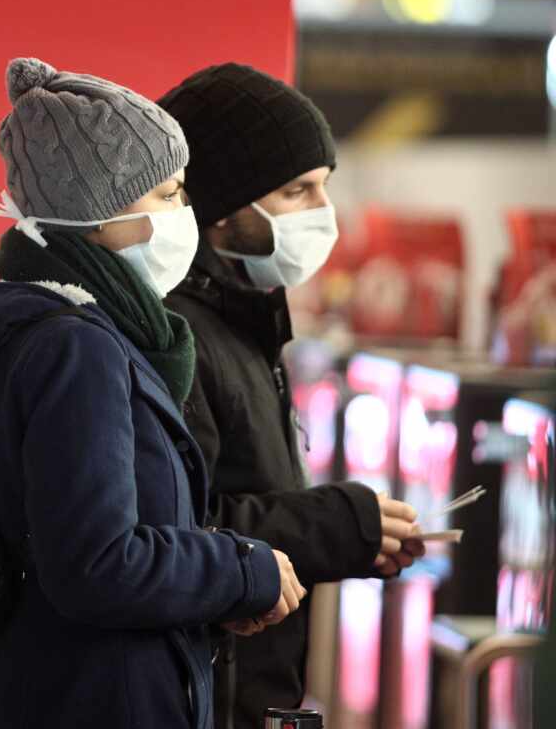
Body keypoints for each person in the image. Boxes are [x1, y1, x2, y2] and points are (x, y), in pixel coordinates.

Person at [0, 57, 305, 728]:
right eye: (168, 192)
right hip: (93, 702)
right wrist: (241, 566)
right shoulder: (74, 349)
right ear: (97, 211)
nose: (185, 212)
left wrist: (208, 592)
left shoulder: (49, 328)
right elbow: (98, 564)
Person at [157, 63, 426, 728]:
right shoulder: (178, 335)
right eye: (298, 190)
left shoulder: (241, 320)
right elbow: (174, 530)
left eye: (324, 187)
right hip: (201, 696)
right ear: (224, 203)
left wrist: (350, 538)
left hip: (243, 691)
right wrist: (335, 524)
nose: (323, 214)